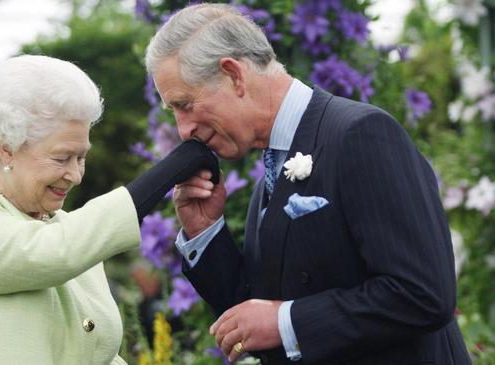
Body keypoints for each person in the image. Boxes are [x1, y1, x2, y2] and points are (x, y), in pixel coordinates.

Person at [144, 4, 471, 365]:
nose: (183, 129)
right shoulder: (271, 172)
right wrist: (205, 232)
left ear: (233, 75)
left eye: (184, 104)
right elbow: (254, 320)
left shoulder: (359, 134)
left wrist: (288, 322)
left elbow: (422, 293)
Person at [0, 55, 218, 365]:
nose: (75, 175)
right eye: (62, 159)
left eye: (81, 158)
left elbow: (97, 355)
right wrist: (166, 173)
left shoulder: (75, 234)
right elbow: (47, 253)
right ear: (7, 148)